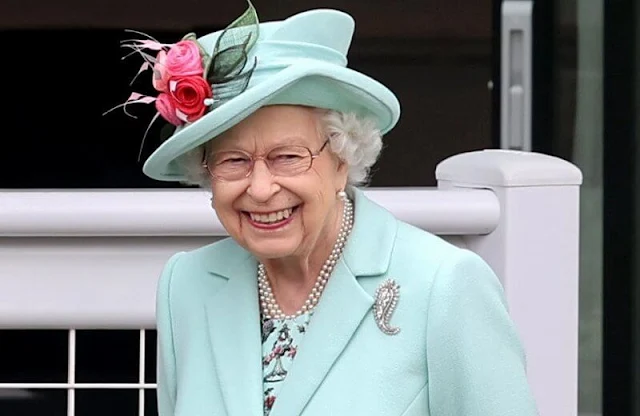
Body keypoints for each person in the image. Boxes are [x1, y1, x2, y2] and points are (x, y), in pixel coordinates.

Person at [111, 2, 538, 415]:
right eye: (233, 161)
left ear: (342, 159)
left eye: (288, 157)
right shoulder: (187, 286)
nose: (260, 189)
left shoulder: (442, 285)